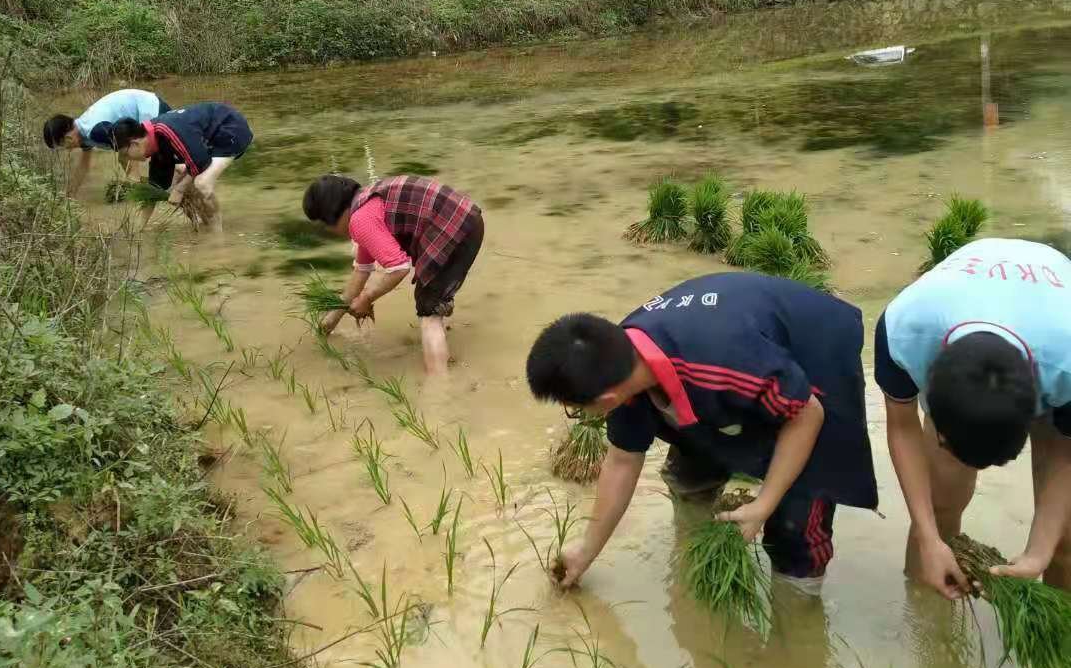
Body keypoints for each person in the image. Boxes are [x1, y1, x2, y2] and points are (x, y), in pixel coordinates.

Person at [526, 272, 877, 592]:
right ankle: (696, 559)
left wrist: (764, 504)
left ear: (606, 398)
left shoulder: (718, 364)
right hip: (742, 358)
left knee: (798, 515)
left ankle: (797, 606)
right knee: (692, 464)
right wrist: (587, 549)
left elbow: (807, 414)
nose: (576, 414)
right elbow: (622, 461)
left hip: (815, 352)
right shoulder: (621, 362)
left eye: (575, 408)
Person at [875, 237, 1071, 598]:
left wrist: (1040, 551)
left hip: (1053, 327)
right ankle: (928, 621)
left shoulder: (1066, 361)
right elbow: (903, 429)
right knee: (940, 502)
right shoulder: (903, 330)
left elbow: (1064, 450)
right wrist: (929, 537)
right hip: (965, 310)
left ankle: (1060, 635)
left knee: (1065, 539)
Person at [302, 173, 484, 379]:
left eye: (326, 225)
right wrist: (329, 322)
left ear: (333, 214)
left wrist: (367, 298)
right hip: (466, 220)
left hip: (454, 228)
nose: (330, 231)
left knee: (428, 313)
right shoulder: (366, 202)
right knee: (432, 298)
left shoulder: (361, 220)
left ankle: (438, 388)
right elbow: (362, 271)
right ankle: (441, 321)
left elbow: (399, 268)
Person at [109, 102, 253, 230]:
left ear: (135, 143)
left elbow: (200, 161)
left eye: (125, 153)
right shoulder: (155, 143)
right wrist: (137, 229)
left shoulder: (166, 130)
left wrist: (179, 189)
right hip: (210, 139)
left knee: (202, 183)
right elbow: (154, 189)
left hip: (231, 129)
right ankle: (207, 226)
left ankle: (217, 238)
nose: (126, 158)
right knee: (184, 176)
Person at [42, 88, 172, 196]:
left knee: (169, 162)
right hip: (147, 108)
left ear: (67, 138)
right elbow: (83, 166)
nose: (67, 149)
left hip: (152, 111)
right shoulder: (83, 132)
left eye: (63, 146)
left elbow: (129, 143)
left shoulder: (95, 131)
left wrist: (135, 186)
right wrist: (70, 195)